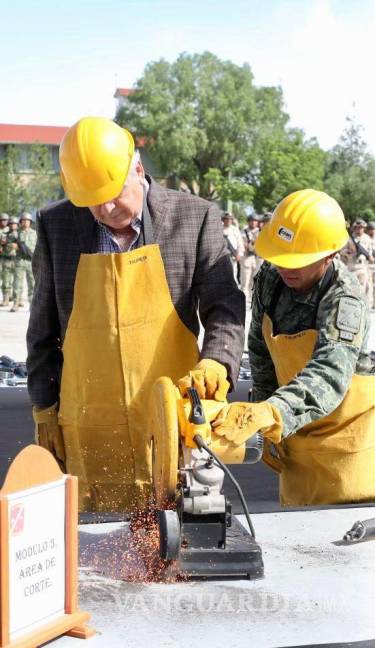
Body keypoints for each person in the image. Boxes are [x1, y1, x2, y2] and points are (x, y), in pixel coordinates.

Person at [27, 116, 245, 513]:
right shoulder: (56, 224)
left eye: (112, 194)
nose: (104, 209)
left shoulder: (193, 218)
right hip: (90, 421)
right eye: (90, 200)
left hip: (172, 416)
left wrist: (216, 362)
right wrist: (44, 407)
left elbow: (225, 305)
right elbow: (42, 326)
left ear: (138, 169)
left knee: (177, 524)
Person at [213, 189, 375, 506]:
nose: (287, 268)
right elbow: (259, 352)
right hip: (296, 435)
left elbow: (329, 375)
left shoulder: (344, 297)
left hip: (348, 448)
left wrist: (275, 412)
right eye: (281, 258)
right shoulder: (270, 281)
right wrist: (263, 412)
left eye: (299, 261)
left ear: (329, 255)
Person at [11, 212, 37, 312]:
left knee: (32, 283)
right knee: (17, 283)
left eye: (27, 220)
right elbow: (8, 244)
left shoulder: (35, 233)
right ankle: (16, 303)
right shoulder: (16, 233)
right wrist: (13, 247)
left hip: (31, 261)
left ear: (30, 222)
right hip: (20, 261)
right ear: (20, 222)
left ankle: (32, 304)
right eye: (23, 220)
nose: (25, 222)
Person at [240, 214, 261, 302]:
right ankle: (243, 299)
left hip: (257, 258)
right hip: (247, 257)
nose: (253, 222)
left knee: (254, 280)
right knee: (245, 280)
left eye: (255, 221)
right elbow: (243, 244)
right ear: (248, 221)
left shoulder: (260, 232)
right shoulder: (244, 231)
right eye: (251, 220)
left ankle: (253, 299)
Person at [222, 212, 244, 284]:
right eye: (227, 219)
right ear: (223, 219)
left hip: (233, 256)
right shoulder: (219, 228)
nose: (228, 221)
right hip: (221, 257)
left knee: (233, 275)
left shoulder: (235, 229)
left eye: (230, 219)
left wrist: (239, 254)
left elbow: (240, 242)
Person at [2, 216, 19, 308]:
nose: (13, 225)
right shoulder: (5, 234)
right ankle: (6, 299)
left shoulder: (20, 234)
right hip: (7, 259)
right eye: (11, 224)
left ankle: (17, 300)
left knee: (17, 282)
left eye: (15, 224)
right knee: (6, 281)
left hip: (17, 260)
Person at [0, 213, 10, 306]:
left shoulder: (10, 230)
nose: (4, 222)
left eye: (6, 220)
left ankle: (7, 299)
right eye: (2, 220)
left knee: (7, 278)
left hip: (7, 257)